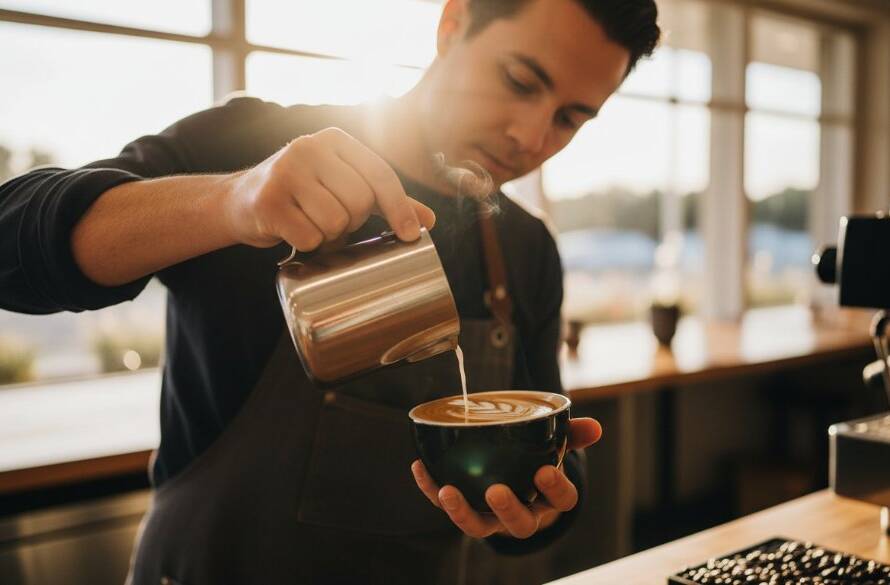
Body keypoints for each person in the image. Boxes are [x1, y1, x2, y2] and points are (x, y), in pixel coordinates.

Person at [0, 0, 660, 583]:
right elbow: (13, 246)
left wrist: (539, 507)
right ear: (452, 22)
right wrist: (231, 201)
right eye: (518, 80)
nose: (531, 137)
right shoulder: (252, 147)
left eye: (571, 119)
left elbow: (546, 469)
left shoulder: (525, 249)